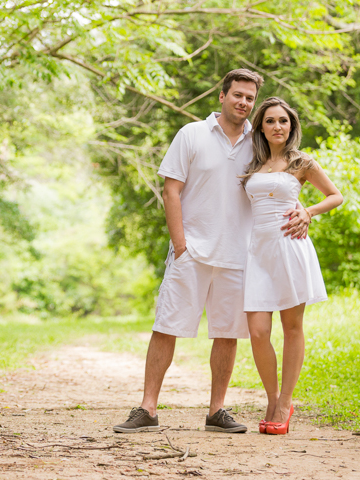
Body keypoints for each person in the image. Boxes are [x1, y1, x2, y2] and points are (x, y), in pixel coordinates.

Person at [112, 70, 309, 434]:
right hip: (192, 251)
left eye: (250, 98)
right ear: (222, 96)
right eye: (237, 95)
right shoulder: (192, 135)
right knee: (166, 325)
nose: (243, 103)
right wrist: (181, 245)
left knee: (227, 332)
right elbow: (171, 191)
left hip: (238, 255)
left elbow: (282, 180)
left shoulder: (259, 143)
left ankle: (217, 410)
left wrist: (303, 210)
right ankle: (147, 408)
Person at [240, 97, 343, 435]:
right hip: (257, 252)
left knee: (292, 327)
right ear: (261, 127)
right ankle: (271, 396)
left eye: (283, 121)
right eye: (270, 121)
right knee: (257, 332)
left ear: (291, 126)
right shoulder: (251, 162)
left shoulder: (301, 161)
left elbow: (335, 196)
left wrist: (308, 212)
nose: (277, 126)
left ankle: (284, 402)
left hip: (290, 248)